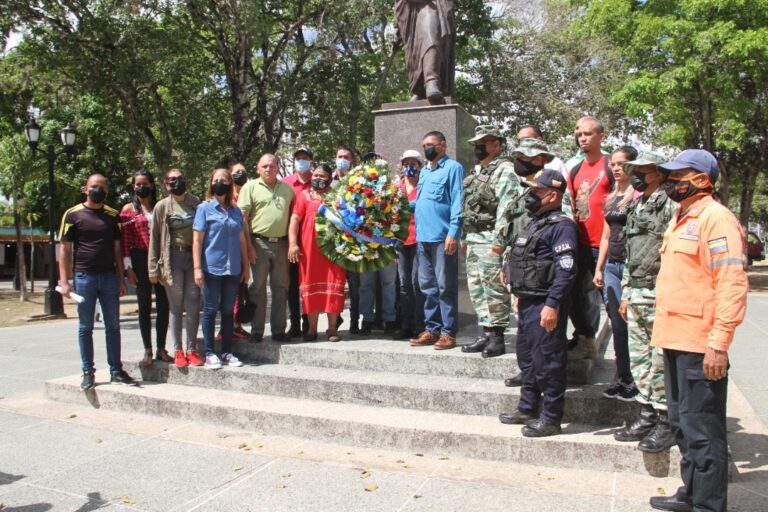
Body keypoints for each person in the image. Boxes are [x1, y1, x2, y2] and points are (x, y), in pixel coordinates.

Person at [648, 150, 748, 512]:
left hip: (700, 344)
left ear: (704, 180)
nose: (672, 182)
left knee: (703, 432)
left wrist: (719, 344)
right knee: (682, 424)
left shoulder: (716, 219)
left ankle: (708, 505)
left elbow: (732, 284)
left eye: (680, 175)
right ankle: (692, 492)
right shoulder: (682, 216)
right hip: (675, 338)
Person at [498, 169, 578, 437]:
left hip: (545, 304)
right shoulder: (535, 222)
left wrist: (552, 304)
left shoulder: (561, 226)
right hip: (527, 300)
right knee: (528, 359)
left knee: (548, 362)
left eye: (535, 192)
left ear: (552, 195)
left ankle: (551, 417)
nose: (529, 197)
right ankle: (527, 407)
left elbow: (566, 269)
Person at [612, 151, 678, 452]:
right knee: (639, 360)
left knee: (658, 362)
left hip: (659, 293)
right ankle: (647, 413)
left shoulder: (671, 206)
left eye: (643, 171)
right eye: (634, 170)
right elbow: (630, 252)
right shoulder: (636, 205)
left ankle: (666, 421)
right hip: (637, 292)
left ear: (659, 173)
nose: (637, 175)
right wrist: (625, 293)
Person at [58, 173, 136, 390]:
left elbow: (117, 249)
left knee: (113, 325)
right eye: (94, 186)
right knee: (86, 327)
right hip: (84, 277)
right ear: (85, 188)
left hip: (109, 277)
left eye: (102, 187)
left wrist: (121, 278)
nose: (98, 190)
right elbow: (64, 249)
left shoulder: (113, 216)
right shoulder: (72, 215)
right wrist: (64, 281)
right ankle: (87, 371)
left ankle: (116, 369)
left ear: (107, 191)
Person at [460, 125, 521, 358]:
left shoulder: (505, 170)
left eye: (483, 142)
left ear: (496, 144)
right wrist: (466, 236)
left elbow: (506, 208)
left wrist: (500, 242)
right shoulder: (478, 171)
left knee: (494, 289)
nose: (478, 147)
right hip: (475, 238)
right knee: (477, 288)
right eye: (476, 143)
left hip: (490, 240)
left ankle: (497, 337)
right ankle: (485, 332)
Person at [409, 130, 463, 350]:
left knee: (445, 286)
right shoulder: (424, 172)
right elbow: (420, 202)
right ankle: (432, 329)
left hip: (443, 238)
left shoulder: (453, 168)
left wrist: (454, 232)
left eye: (431, 144)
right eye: (424, 146)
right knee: (428, 287)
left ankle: (448, 333)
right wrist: (394, 204)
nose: (427, 149)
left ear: (443, 145)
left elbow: (458, 201)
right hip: (423, 238)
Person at [193, 168, 249, 369]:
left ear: (230, 183)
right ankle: (209, 352)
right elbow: (197, 241)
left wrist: (246, 266)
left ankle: (226, 351)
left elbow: (242, 240)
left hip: (232, 268)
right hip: (211, 268)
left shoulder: (236, 210)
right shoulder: (204, 208)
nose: (220, 183)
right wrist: (197, 268)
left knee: (227, 311)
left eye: (223, 179)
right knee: (210, 309)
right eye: (216, 180)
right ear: (211, 183)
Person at [567, 116, 613, 360]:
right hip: (580, 243)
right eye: (579, 134)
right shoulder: (575, 170)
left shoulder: (610, 166)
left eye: (588, 134)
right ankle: (584, 336)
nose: (582, 138)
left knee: (606, 298)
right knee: (575, 293)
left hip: (605, 246)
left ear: (601, 137)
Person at [592, 146, 637, 400]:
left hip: (630, 266)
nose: (616, 168)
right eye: (614, 164)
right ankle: (622, 376)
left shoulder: (638, 196)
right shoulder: (611, 197)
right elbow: (606, 234)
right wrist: (599, 267)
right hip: (611, 266)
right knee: (616, 323)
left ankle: (636, 379)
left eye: (621, 164)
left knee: (632, 324)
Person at [148, 168, 203, 368]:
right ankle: (178, 349)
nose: (176, 182)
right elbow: (154, 238)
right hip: (172, 258)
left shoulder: (196, 203)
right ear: (165, 183)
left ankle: (192, 348)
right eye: (172, 179)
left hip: (193, 257)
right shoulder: (162, 207)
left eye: (180, 178)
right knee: (176, 306)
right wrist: (153, 268)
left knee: (194, 304)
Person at [238, 153, 294, 342]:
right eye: (264, 166)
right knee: (257, 288)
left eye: (271, 165)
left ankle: (278, 329)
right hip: (258, 243)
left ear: (278, 167)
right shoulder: (250, 187)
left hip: (282, 243)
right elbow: (242, 219)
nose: (268, 169)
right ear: (257, 168)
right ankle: (257, 330)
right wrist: (248, 247)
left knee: (281, 287)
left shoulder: (287, 189)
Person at [287, 163, 346, 342]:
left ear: (330, 178)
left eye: (322, 176)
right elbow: (295, 220)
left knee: (334, 286)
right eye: (316, 175)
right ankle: (312, 330)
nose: (318, 179)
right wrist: (292, 244)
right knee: (309, 286)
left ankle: (332, 329)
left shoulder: (337, 196)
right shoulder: (303, 195)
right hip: (309, 250)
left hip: (333, 250)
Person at [120, 170, 171, 367]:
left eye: (145, 183)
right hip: (139, 259)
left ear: (151, 185)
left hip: (160, 258)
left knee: (163, 305)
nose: (141, 187)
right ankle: (147, 349)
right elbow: (125, 241)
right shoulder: (128, 210)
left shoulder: (160, 207)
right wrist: (128, 268)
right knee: (143, 306)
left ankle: (161, 348)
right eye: (137, 184)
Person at [393, 0, 455, 103]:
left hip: (433, 4)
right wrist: (397, 26)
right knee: (414, 51)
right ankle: (419, 90)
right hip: (409, 11)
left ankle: (432, 81)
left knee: (431, 31)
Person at [394, 150, 425, 340]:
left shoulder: (423, 186)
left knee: (417, 283)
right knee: (404, 284)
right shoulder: (395, 188)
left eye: (413, 163)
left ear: (419, 166)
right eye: (406, 163)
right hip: (400, 241)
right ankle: (405, 324)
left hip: (420, 238)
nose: (409, 166)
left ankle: (419, 324)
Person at [283, 147, 314, 337]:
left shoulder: (318, 182)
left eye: (305, 158)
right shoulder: (285, 184)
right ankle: (294, 322)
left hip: (312, 243)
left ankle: (308, 322)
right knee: (292, 284)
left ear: (311, 161)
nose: (301, 161)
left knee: (309, 284)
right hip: (291, 242)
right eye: (298, 158)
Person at [334, 145, 360, 333]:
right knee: (335, 284)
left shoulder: (359, 181)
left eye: (346, 157)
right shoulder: (328, 181)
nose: (342, 159)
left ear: (352, 161)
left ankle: (354, 322)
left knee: (355, 285)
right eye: (339, 156)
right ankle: (335, 319)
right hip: (333, 241)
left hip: (354, 241)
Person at [227, 161, 251, 341]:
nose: (240, 174)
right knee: (231, 289)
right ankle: (230, 326)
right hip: (227, 250)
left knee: (241, 287)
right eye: (236, 172)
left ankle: (236, 324)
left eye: (243, 171)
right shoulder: (226, 198)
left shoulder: (249, 194)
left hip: (244, 247)